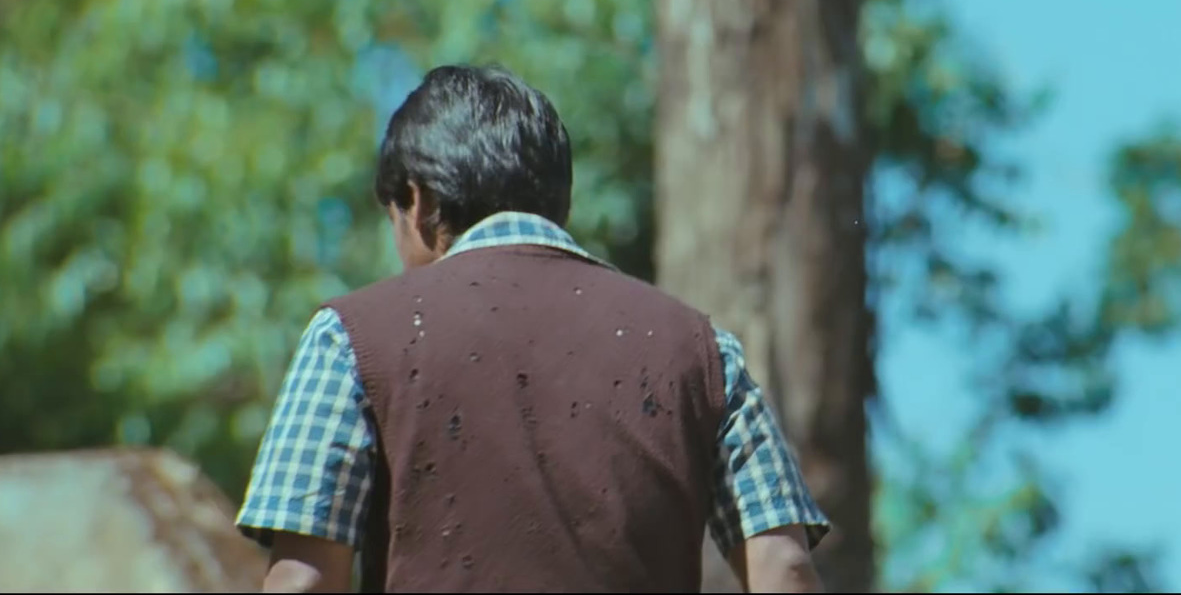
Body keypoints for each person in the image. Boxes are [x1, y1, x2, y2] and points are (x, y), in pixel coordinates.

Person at [235, 64, 829, 593]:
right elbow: (785, 568)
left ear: (416, 201)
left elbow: (303, 580)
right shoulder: (704, 353)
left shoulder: (350, 338)